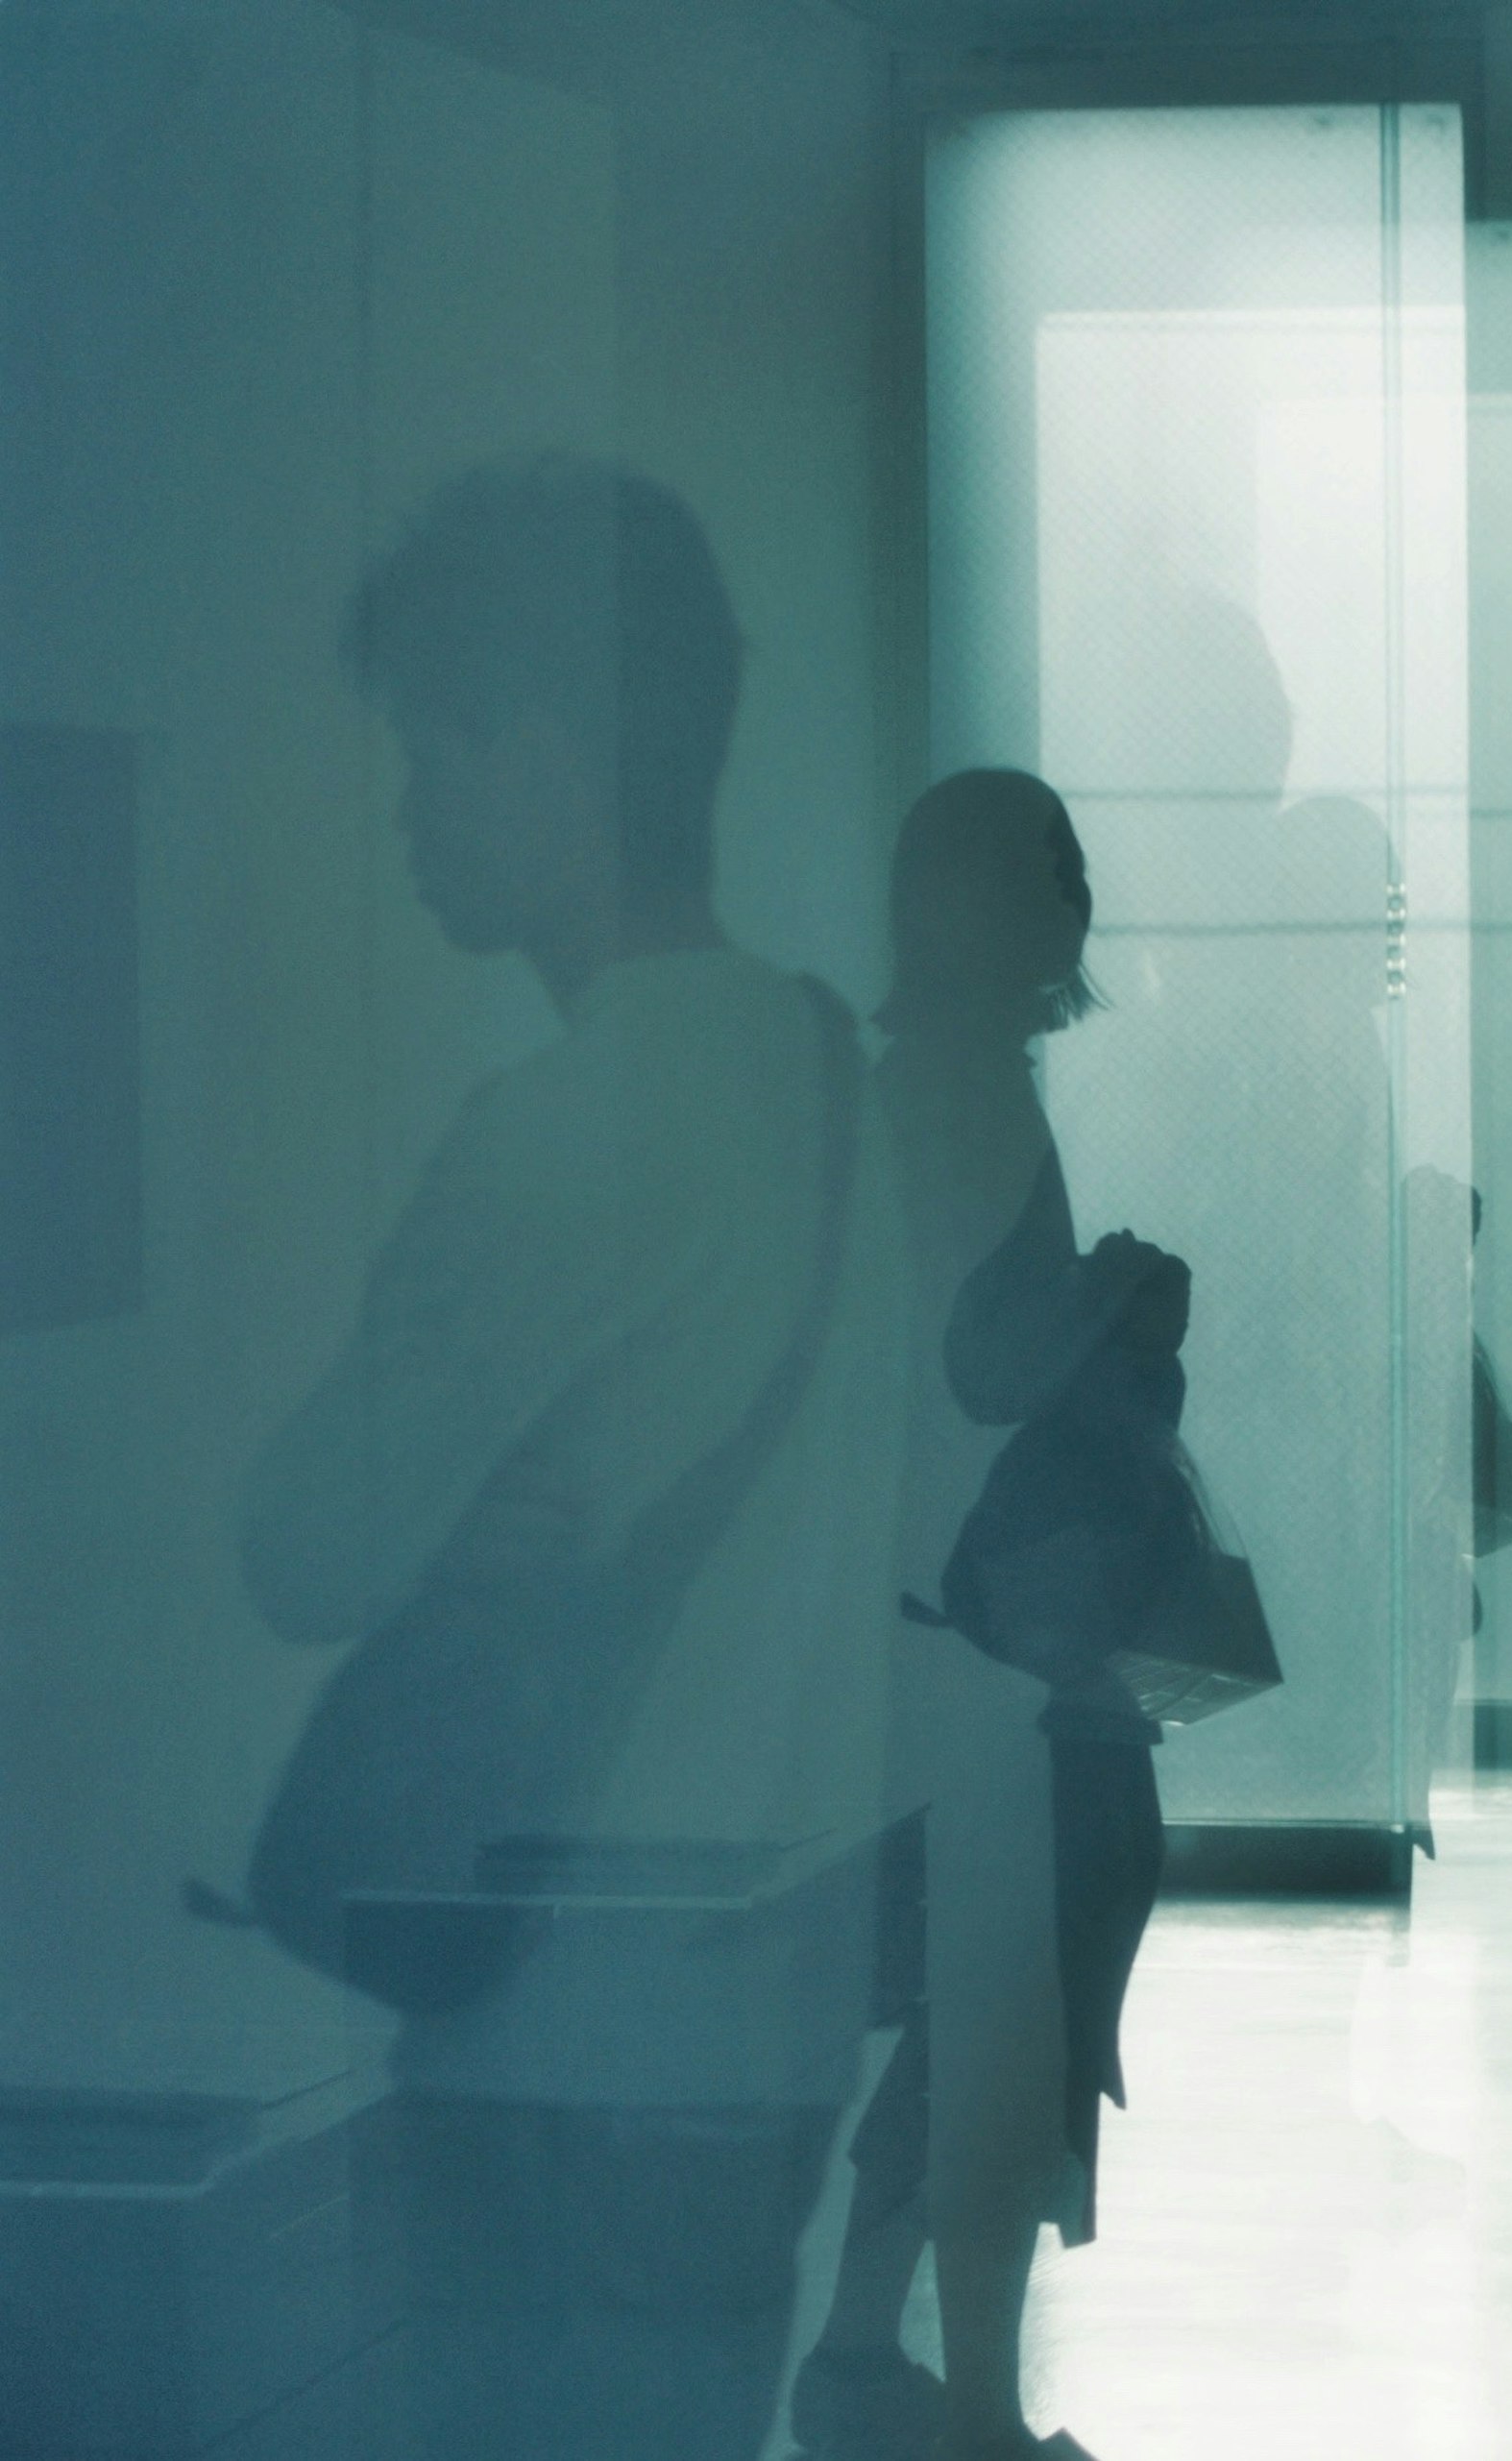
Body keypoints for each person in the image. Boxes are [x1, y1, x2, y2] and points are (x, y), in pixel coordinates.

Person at [237, 453, 909, 2461]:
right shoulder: (830, 1077)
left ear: (536, 753)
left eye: (430, 751)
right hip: (774, 2013)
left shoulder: (563, 1125)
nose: (408, 812)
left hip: (564, 2041)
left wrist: (453, 1531)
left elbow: (302, 1545)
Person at [796, 768, 1171, 2461]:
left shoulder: (911, 1091)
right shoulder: (971, 1103)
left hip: (927, 1620)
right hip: (995, 1641)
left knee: (973, 2016)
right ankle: (967, 2406)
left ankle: (875, 2361)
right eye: (1053, 869)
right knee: (1007, 2015)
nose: (1078, 896)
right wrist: (1119, 1301)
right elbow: (990, 1365)